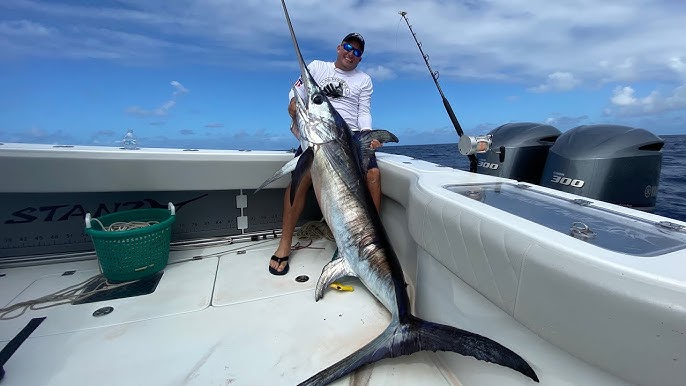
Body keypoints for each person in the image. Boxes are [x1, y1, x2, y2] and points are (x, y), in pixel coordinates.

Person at [269, 32, 382, 275]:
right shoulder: (318, 67)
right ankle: (284, 244)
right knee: (299, 180)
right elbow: (297, 94)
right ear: (339, 47)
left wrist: (367, 134)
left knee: (373, 175)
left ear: (360, 58)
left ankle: (372, 242)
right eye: (348, 48)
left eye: (357, 52)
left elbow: (364, 111)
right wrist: (292, 105)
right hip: (318, 135)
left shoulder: (364, 80)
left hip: (350, 138)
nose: (351, 54)